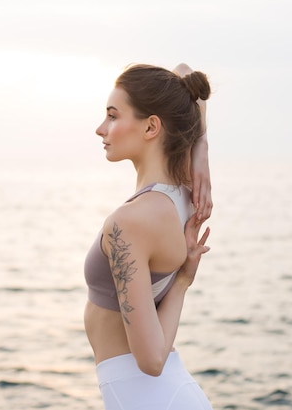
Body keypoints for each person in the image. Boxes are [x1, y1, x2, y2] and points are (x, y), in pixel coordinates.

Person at [84, 63, 214, 410]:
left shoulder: (132, 221)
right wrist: (200, 147)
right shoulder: (182, 193)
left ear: (152, 126)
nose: (101, 129)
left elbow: (152, 360)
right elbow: (186, 79)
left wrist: (183, 283)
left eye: (113, 116)